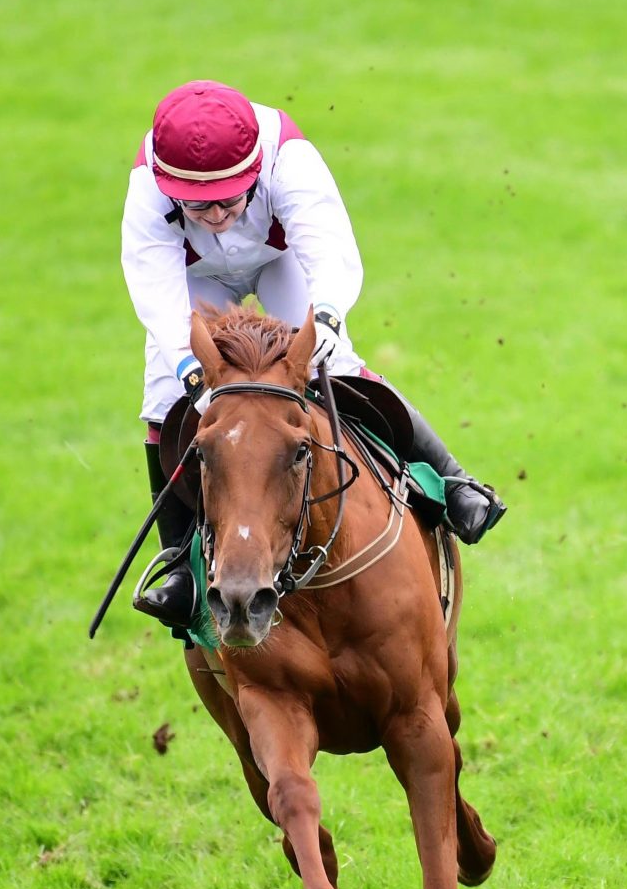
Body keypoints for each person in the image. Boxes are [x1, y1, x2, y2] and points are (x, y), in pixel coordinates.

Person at [121, 79, 505, 628]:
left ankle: (453, 484)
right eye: (196, 206)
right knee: (163, 392)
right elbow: (155, 290)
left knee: (336, 362)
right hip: (192, 276)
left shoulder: (289, 158)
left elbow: (326, 247)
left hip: (281, 259)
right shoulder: (148, 186)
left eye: (229, 199)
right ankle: (182, 564)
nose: (214, 216)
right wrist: (188, 369)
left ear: (255, 171)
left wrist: (325, 315)